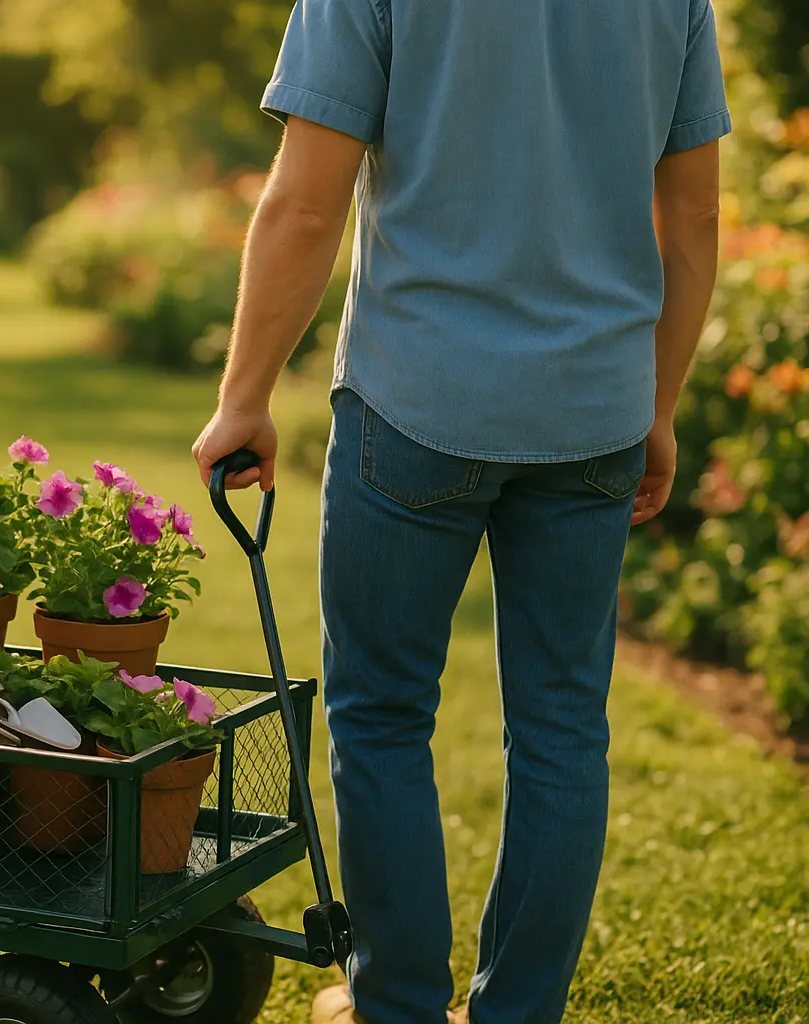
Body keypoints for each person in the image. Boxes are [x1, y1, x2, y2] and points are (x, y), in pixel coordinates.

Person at [191, 0, 729, 1021]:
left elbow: (307, 203)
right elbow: (694, 214)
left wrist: (245, 396)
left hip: (417, 401)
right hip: (595, 414)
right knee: (565, 726)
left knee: (383, 714)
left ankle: (391, 1005)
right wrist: (659, 406)